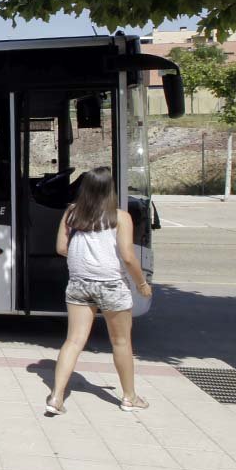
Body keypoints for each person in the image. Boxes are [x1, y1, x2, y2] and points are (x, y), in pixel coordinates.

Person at [46, 166, 153, 415]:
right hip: (112, 285)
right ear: (110, 190)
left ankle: (56, 397)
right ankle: (129, 397)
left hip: (79, 283)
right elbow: (127, 256)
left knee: (73, 341)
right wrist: (142, 284)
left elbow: (62, 247)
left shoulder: (71, 213)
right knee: (121, 341)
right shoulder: (119, 217)